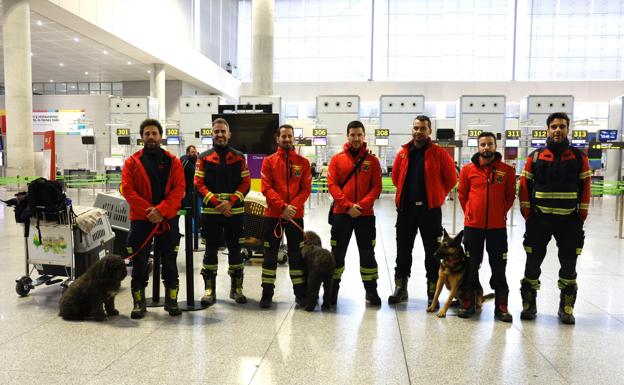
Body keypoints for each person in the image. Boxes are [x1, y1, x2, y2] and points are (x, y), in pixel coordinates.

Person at [518, 112, 590, 325]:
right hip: (539, 220)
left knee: (569, 266)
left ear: (568, 130)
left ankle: (566, 307)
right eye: (554, 126)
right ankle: (529, 305)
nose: (558, 130)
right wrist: (528, 214)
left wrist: (581, 216)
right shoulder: (536, 156)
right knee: (532, 264)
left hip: (569, 222)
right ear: (548, 129)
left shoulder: (579, 157)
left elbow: (585, 188)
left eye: (562, 126)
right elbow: (524, 186)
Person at [388, 115, 457, 306]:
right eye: (416, 128)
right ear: (413, 129)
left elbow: (451, 179)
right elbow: (395, 178)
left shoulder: (439, 153)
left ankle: (431, 290)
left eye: (423, 128)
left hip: (430, 212)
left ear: (430, 131)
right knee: (403, 252)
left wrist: (437, 194)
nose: (419, 132)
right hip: (406, 211)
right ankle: (401, 287)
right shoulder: (403, 153)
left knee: (433, 252)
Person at [121, 118, 185, 319]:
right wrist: (150, 211)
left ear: (160, 136)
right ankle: (139, 303)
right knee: (139, 263)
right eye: (147, 134)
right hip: (141, 220)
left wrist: (162, 211)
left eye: (154, 133)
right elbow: (128, 190)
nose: (150, 137)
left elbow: (179, 189)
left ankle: (172, 301)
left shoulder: (173, 162)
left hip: (167, 220)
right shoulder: (131, 162)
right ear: (142, 137)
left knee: (169, 261)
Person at [457, 131, 515, 322]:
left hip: (497, 228)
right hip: (473, 227)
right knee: (471, 265)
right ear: (478, 147)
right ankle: (469, 301)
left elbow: (509, 197)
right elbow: (463, 195)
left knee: (499, 266)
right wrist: (472, 213)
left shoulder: (506, 170)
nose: (486, 148)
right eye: (483, 144)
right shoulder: (467, 170)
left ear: (495, 146)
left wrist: (498, 213)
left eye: (490, 144)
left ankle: (501, 305)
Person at [194, 118, 251, 307]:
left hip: (235, 213)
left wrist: (231, 202)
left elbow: (246, 183)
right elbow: (198, 184)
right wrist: (218, 203)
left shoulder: (239, 157)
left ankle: (237, 289)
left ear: (229, 134)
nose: (220, 134)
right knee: (210, 250)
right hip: (211, 213)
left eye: (223, 131)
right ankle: (209, 290)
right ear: (212, 134)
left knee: (236, 250)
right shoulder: (203, 157)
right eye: (216, 131)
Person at [328, 120, 382, 306]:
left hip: (365, 217)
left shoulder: (373, 161)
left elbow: (376, 188)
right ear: (347, 135)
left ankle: (371, 291)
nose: (356, 138)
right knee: (337, 254)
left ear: (364, 136)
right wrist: (348, 206)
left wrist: (360, 206)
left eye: (359, 134)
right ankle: (332, 290)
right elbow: (332, 186)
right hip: (341, 214)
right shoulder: (337, 160)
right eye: (353, 134)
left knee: (367, 254)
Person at [259, 124, 312, 308]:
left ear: (294, 138)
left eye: (290, 136)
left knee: (296, 256)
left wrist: (292, 208)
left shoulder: (303, 163)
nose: (287, 139)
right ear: (277, 138)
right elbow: (266, 187)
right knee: (270, 256)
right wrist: (282, 207)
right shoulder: (268, 161)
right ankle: (267, 294)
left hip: (295, 217)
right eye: (284, 136)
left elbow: (306, 189)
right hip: (273, 216)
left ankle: (300, 294)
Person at [179, 145, 197, 210]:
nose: (195, 154)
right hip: (185, 191)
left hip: (191, 189)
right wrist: (182, 190)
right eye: (192, 152)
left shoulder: (194, 162)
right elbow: (179, 175)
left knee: (191, 210)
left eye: (195, 152)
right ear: (187, 153)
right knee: (186, 210)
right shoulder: (185, 161)